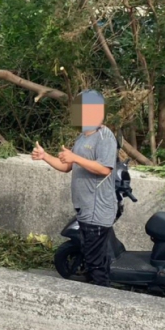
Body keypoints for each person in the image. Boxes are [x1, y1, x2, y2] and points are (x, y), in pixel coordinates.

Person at [32, 90, 117, 286]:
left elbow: (105, 168)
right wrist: (45, 156)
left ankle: (103, 301)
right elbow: (66, 166)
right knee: (93, 258)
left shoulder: (104, 136)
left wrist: (74, 157)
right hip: (84, 207)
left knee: (95, 263)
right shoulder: (82, 137)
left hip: (98, 210)